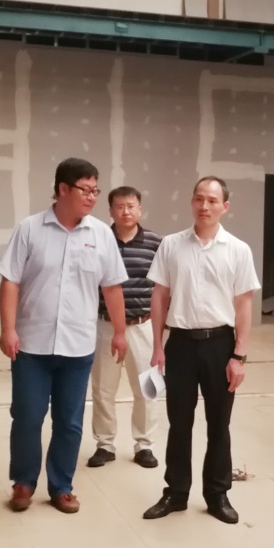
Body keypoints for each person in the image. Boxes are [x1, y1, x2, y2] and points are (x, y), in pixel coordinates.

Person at [0, 158, 129, 515]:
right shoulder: (29, 229)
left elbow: (112, 287)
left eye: (95, 190)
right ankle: (23, 482)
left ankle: (62, 487)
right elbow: (10, 281)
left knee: (69, 422)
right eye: (86, 190)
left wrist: (120, 332)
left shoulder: (101, 234)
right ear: (63, 189)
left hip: (78, 346)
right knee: (27, 416)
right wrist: (8, 328)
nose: (92, 197)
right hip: (31, 345)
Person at [141, 176, 260, 525]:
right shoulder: (171, 245)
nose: (204, 206)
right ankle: (176, 492)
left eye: (212, 200)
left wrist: (239, 356)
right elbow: (160, 296)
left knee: (219, 424)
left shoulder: (238, 250)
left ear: (225, 206)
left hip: (221, 345)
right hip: (179, 344)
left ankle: (217, 494)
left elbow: (244, 305)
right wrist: (157, 346)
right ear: (191, 202)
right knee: (179, 423)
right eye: (198, 199)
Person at [87, 186, 163, 469]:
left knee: (149, 388)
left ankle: (145, 445)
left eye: (131, 206)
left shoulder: (156, 243)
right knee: (103, 389)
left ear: (139, 209)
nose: (126, 212)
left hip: (143, 325)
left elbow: (163, 286)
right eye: (120, 207)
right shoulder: (98, 240)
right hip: (105, 325)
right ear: (111, 211)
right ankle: (105, 444)